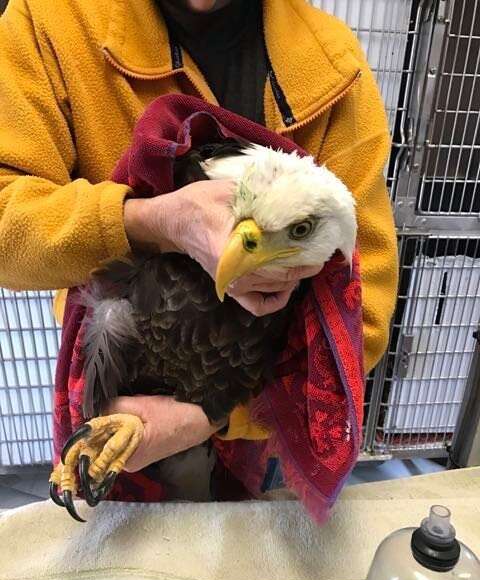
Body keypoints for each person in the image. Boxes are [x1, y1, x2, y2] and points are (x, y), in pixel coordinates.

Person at [0, 0, 398, 477]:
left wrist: (214, 417)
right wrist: (152, 221)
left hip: (261, 413)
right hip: (116, 381)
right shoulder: (51, 21)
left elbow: (361, 313)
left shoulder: (334, 63)